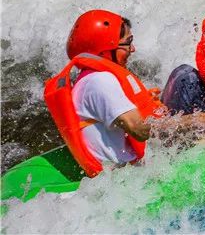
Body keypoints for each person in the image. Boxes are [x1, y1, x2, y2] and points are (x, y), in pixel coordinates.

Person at [44, 10, 164, 176]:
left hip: (121, 174)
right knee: (184, 78)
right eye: (128, 42)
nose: (133, 49)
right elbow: (140, 130)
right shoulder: (99, 82)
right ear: (104, 51)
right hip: (125, 178)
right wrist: (202, 122)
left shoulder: (87, 80)